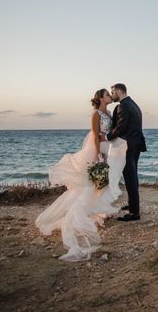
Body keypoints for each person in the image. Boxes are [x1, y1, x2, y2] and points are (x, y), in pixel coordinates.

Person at [35, 88, 127, 261]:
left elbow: (110, 132)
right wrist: (99, 154)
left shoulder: (108, 111)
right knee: (90, 185)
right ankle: (77, 216)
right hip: (97, 151)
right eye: (107, 95)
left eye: (109, 94)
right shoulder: (96, 114)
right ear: (101, 98)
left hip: (108, 148)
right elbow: (94, 135)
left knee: (101, 184)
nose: (109, 97)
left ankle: (94, 208)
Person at [102, 83, 146, 221]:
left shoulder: (123, 106)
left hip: (127, 146)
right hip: (136, 145)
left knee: (130, 178)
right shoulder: (134, 104)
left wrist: (106, 137)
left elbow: (121, 127)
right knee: (133, 177)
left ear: (119, 91)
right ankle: (132, 205)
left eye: (113, 92)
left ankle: (134, 213)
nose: (112, 94)